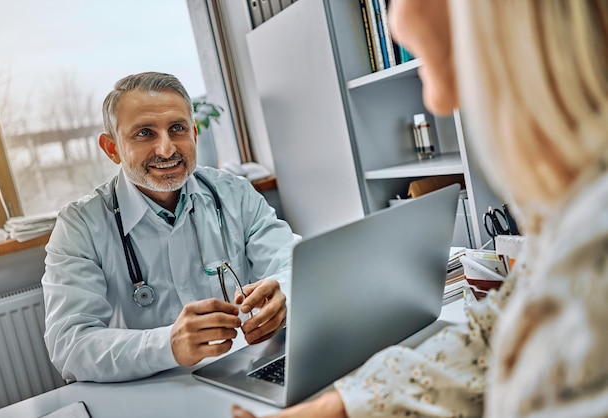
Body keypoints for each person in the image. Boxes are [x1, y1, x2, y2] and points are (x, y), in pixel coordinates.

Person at [233, 0, 608, 417]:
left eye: (460, 64)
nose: (440, 101)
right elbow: (503, 330)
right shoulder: (575, 232)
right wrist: (341, 408)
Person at [42, 72, 299, 383]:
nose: (166, 150)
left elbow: (294, 263)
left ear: (193, 133)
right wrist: (167, 345)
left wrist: (282, 294)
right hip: (147, 388)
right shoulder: (79, 226)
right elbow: (69, 345)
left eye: (177, 129)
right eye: (144, 133)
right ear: (111, 148)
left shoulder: (234, 193)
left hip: (243, 371)